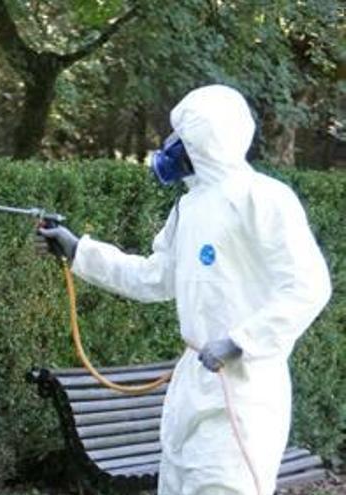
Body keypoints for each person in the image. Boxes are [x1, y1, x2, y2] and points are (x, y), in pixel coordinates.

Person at [37, 84, 331, 495]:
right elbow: (153, 277)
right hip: (192, 385)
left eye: (182, 136)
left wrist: (239, 340)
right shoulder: (189, 207)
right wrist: (79, 250)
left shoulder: (263, 198)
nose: (171, 146)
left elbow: (309, 285)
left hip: (243, 388)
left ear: (206, 139)